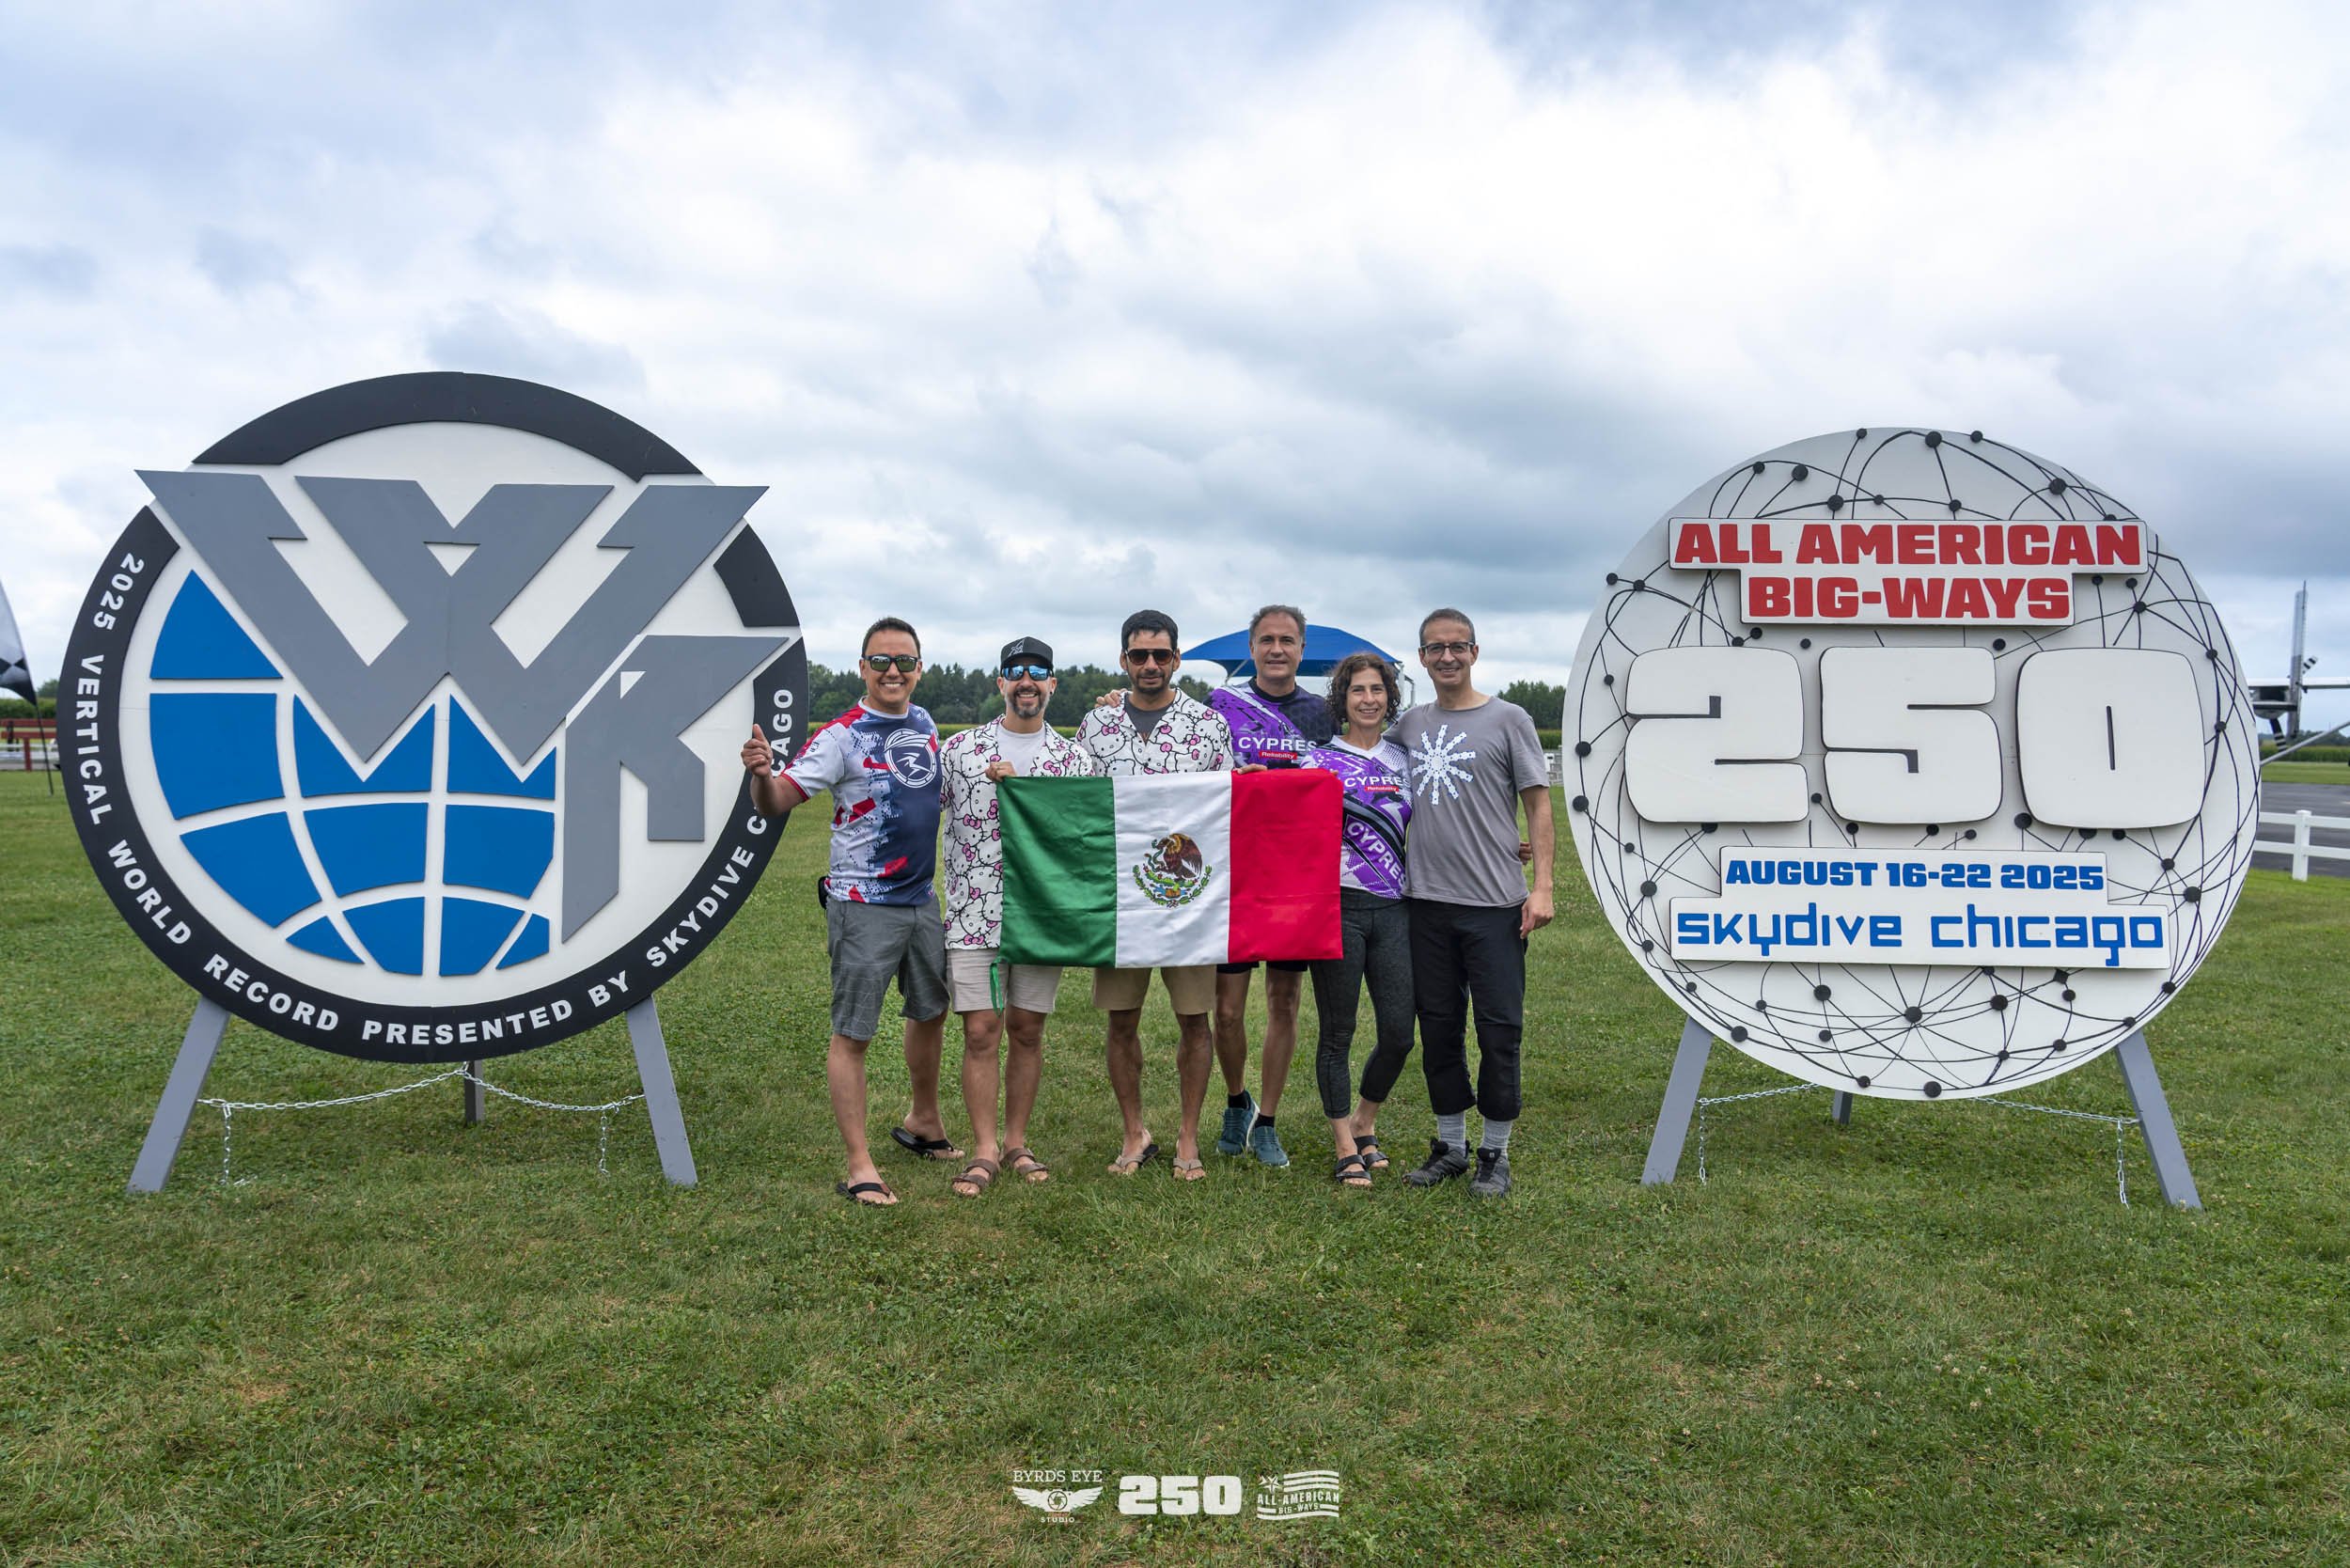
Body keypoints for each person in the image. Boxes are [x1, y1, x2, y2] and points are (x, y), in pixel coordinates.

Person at [742, 617, 950, 1207]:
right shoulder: (840, 736)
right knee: (854, 1032)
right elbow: (779, 799)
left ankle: (923, 1122)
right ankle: (860, 1164)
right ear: (862, 668)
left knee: (930, 1011)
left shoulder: (925, 722)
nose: (893, 671)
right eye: (881, 661)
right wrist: (761, 775)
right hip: (863, 906)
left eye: (905, 661)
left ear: (918, 668)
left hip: (921, 900)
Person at [1390, 608, 1555, 1199]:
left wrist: (1542, 886)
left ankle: (1496, 1151)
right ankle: (1451, 1145)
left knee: (1499, 1028)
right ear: (1422, 657)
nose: (1447, 657)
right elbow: (1357, 761)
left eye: (1457, 647)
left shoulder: (1509, 719)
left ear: (1475, 652)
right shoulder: (1408, 726)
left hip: (1495, 905)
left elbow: (1538, 805)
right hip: (1424, 903)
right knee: (1438, 1026)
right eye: (1435, 649)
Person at [935, 637, 1100, 1197]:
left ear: (1052, 683)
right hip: (974, 912)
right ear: (999, 682)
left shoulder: (1075, 760)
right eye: (1015, 672)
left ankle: (1016, 1141)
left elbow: (1084, 840)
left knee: (1028, 1031)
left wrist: (1031, 794)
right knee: (981, 1030)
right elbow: (917, 811)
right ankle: (982, 1150)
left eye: (1037, 673)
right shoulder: (960, 751)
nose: (1025, 681)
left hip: (1040, 916)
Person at [1074, 609, 1234, 1181]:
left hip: (1191, 903)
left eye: (1160, 655)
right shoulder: (1098, 727)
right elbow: (1081, 807)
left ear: (1176, 659)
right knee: (1122, 1021)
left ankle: (1188, 1139)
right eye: (1138, 655)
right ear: (1123, 660)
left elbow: (1227, 812)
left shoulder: (1207, 726)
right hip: (1123, 901)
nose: (1149, 665)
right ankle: (1133, 1132)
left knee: (1195, 1021)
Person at [1203, 604, 1335, 1168]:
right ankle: (1237, 1101)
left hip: (1296, 876)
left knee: (1284, 1000)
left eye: (1287, 640)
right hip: (1234, 872)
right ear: (1250, 648)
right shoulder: (1218, 707)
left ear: (1302, 650)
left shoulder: (1325, 713)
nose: (1276, 649)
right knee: (1227, 1011)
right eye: (1266, 640)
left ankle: (1269, 1121)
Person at [1302, 651, 1416, 1189]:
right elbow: (1278, 823)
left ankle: (1365, 1119)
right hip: (1339, 909)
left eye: (1377, 690)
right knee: (1339, 1032)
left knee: (1399, 1032)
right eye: (1357, 691)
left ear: (1389, 697)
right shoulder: (1318, 762)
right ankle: (1345, 1144)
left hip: (1396, 909)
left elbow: (1447, 820)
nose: (1368, 699)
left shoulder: (1405, 760)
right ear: (1342, 700)